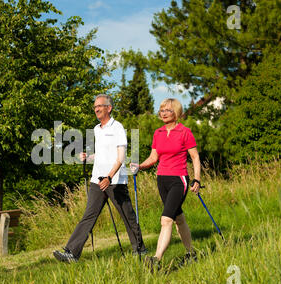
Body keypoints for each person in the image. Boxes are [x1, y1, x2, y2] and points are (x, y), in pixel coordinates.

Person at [53, 94, 146, 262]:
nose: (96, 109)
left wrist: (110, 177)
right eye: (95, 106)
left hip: (115, 181)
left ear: (108, 108)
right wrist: (88, 157)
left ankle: (139, 250)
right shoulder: (97, 129)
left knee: (128, 216)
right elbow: (103, 154)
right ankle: (72, 253)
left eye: (100, 106)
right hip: (97, 180)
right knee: (89, 215)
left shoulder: (117, 128)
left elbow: (120, 157)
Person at [130, 98, 201, 269]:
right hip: (162, 179)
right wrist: (140, 165)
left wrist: (197, 179)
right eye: (161, 110)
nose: (163, 113)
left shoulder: (185, 132)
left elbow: (195, 157)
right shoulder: (158, 133)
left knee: (166, 220)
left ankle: (156, 259)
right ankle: (191, 254)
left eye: (167, 110)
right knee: (179, 219)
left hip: (179, 180)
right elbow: (154, 158)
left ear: (176, 112)